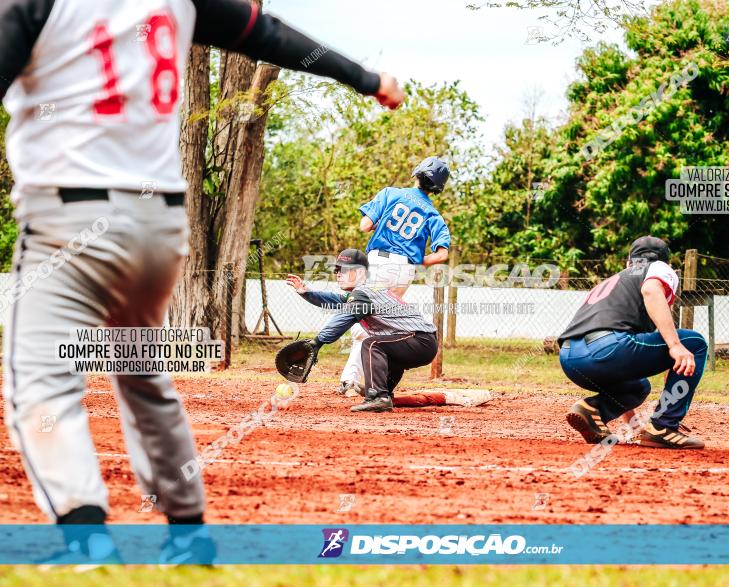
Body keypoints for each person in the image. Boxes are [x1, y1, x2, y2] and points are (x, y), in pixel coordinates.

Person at [0, 0, 405, 565]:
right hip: (157, 226)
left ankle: (85, 534)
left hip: (70, 218)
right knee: (141, 375)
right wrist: (367, 79)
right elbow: (270, 35)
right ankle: (188, 534)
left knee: (40, 381)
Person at [557, 236, 708, 450]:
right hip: (606, 349)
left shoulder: (616, 280)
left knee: (637, 387)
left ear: (629, 262)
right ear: (667, 263)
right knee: (694, 342)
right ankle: (664, 427)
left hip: (571, 358)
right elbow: (651, 290)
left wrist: (634, 425)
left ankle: (592, 410)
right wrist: (676, 346)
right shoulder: (658, 268)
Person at [337, 156, 451, 396]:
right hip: (405, 271)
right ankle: (374, 382)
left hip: (380, 263)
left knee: (362, 320)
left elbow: (364, 225)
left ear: (418, 175)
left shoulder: (391, 193)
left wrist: (380, 224)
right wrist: (416, 258)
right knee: (383, 323)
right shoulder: (432, 213)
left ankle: (351, 382)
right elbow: (441, 255)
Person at [287, 249, 438, 413]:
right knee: (386, 351)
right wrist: (306, 292)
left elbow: (344, 318)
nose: (338, 274)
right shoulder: (365, 291)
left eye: (344, 269)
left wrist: (318, 341)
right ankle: (383, 392)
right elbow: (335, 300)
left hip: (419, 340)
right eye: (336, 270)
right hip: (422, 342)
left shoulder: (363, 293)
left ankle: (378, 397)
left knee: (372, 344)